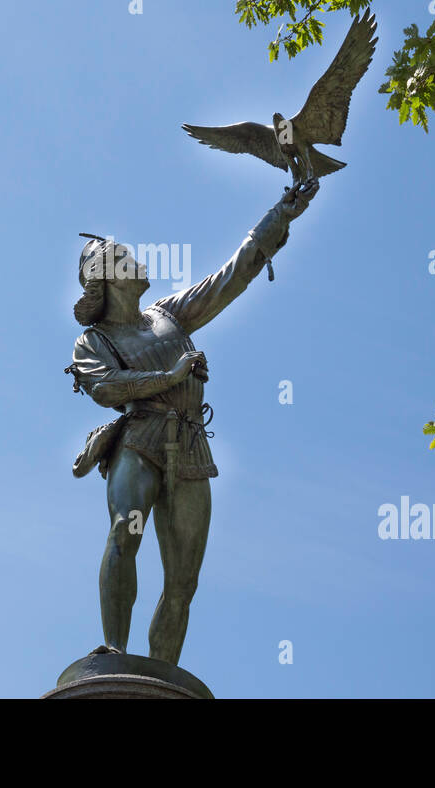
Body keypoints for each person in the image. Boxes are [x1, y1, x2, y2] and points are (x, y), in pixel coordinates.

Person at [66, 180, 318, 665]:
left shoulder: (169, 315)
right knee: (125, 531)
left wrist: (280, 216)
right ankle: (114, 650)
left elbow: (230, 277)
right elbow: (105, 389)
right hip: (139, 439)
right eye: (125, 256)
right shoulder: (94, 341)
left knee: (183, 579)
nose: (138, 260)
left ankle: (161, 676)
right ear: (108, 274)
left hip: (191, 446)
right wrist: (169, 374)